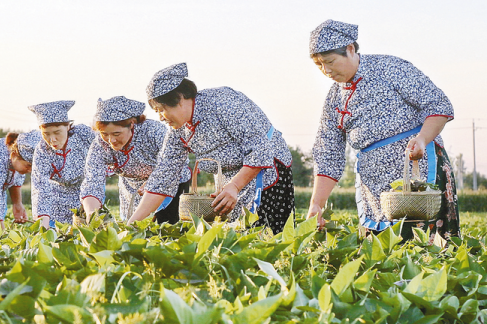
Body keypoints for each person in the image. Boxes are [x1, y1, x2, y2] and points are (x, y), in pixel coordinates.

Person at [307, 19, 459, 239]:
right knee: (382, 255)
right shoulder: (334, 99)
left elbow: (438, 105)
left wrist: (423, 139)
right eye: (319, 65)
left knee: (423, 247)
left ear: (350, 49)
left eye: (330, 61)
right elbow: (328, 154)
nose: (326, 70)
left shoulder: (390, 69)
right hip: (375, 190)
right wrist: (316, 205)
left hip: (419, 170)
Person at [127, 63, 294, 234]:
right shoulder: (178, 132)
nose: (161, 117)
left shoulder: (223, 103)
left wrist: (235, 186)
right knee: (236, 236)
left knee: (270, 235)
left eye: (162, 110)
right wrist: (131, 227)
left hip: (266, 170)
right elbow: (163, 176)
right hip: (229, 181)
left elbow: (260, 148)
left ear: (180, 98)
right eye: (157, 112)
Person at [80, 96, 191, 223]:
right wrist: (92, 215)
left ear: (131, 124)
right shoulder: (99, 145)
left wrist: (154, 182)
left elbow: (176, 162)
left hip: (170, 182)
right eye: (105, 134)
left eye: (117, 134)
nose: (111, 141)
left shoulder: (153, 131)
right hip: (132, 189)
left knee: (165, 228)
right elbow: (92, 181)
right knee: (134, 230)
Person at [29, 100, 96, 229]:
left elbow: (105, 149)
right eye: (46, 134)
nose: (52, 139)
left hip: (86, 194)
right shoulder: (42, 151)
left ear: (68, 127)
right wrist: (42, 228)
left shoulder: (83, 135)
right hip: (57, 200)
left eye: (57, 132)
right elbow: (40, 190)